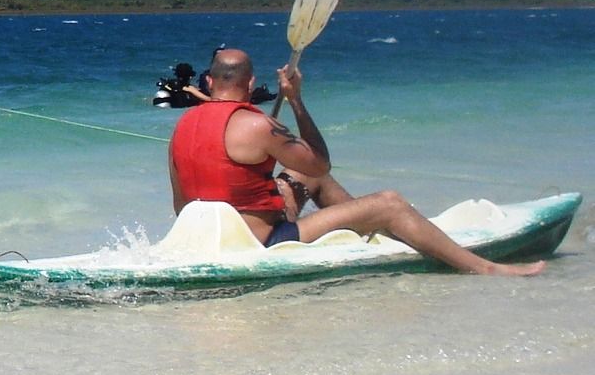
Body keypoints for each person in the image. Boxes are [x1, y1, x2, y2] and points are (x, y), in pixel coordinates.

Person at [166, 48, 542, 275]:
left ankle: (370, 233)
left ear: (210, 84)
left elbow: (181, 203)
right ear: (250, 86)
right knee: (390, 201)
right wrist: (296, 100)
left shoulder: (182, 127)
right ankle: (484, 267)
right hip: (263, 241)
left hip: (210, 235)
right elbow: (321, 163)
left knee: (298, 177)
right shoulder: (257, 124)